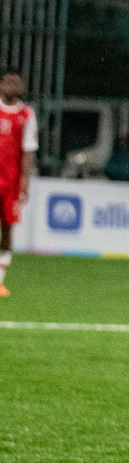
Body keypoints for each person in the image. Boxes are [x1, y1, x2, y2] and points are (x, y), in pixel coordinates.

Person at [0, 71, 38, 298]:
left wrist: (25, 182)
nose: (14, 85)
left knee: (7, 230)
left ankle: (0, 281)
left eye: (18, 82)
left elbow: (28, 150)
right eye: (9, 80)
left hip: (11, 182)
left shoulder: (26, 114)